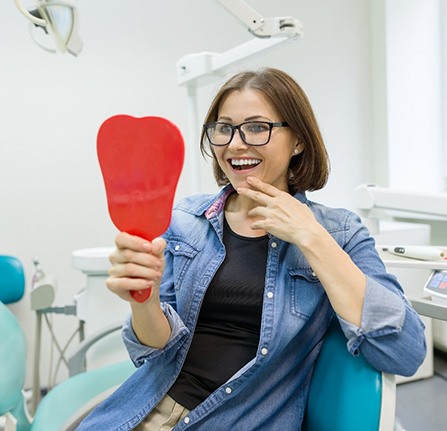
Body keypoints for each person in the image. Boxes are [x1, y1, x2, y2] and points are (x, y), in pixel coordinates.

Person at [77, 67, 426, 431]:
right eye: (223, 128)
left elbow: (405, 351)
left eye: (257, 127)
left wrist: (311, 236)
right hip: (143, 411)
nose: (235, 144)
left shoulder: (339, 233)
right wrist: (142, 301)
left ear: (298, 141)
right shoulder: (183, 221)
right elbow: (154, 352)